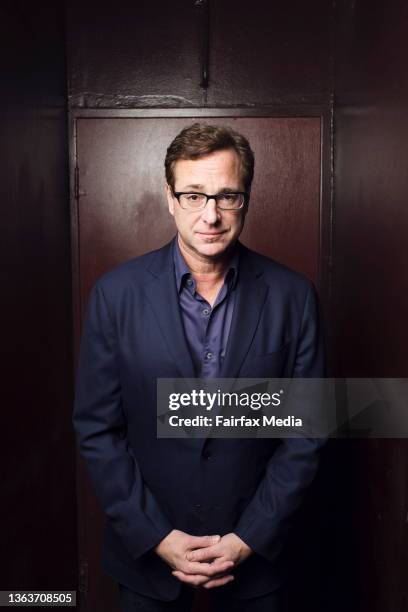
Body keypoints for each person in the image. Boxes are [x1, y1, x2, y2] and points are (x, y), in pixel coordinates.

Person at [73, 123, 325, 612]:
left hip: (256, 563)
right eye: (193, 195)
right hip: (148, 560)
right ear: (170, 198)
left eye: (226, 196)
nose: (210, 215)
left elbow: (307, 434)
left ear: (246, 200)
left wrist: (249, 537)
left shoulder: (294, 297)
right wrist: (156, 536)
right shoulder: (115, 295)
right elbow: (97, 430)